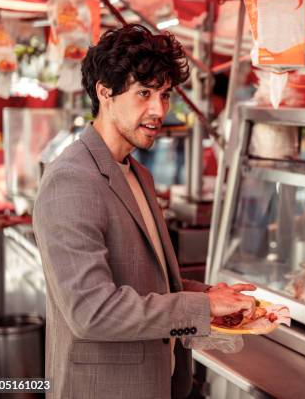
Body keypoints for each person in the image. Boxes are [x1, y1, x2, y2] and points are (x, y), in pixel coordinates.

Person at [33, 24, 256, 399]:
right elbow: (93, 312)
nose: (159, 110)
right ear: (105, 92)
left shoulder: (138, 173)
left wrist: (211, 296)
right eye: (144, 93)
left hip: (157, 382)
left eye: (165, 95)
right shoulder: (71, 180)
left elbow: (142, 282)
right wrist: (201, 306)